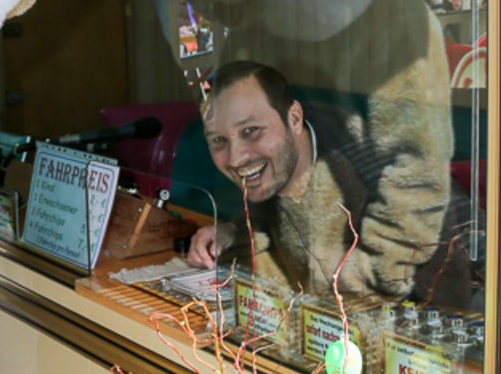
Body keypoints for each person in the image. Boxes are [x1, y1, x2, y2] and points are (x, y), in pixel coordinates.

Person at [187, 60, 470, 306]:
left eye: (251, 131)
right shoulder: (280, 160)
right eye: (218, 140)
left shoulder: (376, 168)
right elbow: (279, 212)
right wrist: (231, 232)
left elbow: (451, 269)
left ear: (294, 119)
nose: (236, 158)